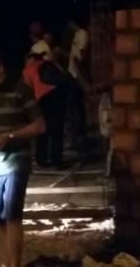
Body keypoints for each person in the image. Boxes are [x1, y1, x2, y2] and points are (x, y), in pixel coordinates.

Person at [0, 50, 46, 267]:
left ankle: (14, 264)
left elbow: (40, 125)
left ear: (1, 68)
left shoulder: (20, 90)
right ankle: (3, 263)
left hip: (16, 158)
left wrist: (10, 136)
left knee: (12, 214)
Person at [23, 53, 67, 168]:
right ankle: (57, 160)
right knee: (57, 129)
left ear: (29, 59)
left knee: (42, 128)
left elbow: (27, 90)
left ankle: (41, 159)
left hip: (43, 98)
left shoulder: (28, 69)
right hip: (59, 93)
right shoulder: (49, 64)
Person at [66, 16, 90, 150]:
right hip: (73, 74)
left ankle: (79, 140)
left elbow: (81, 55)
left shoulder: (82, 34)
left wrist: (82, 77)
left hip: (76, 76)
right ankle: (78, 139)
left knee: (76, 109)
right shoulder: (78, 34)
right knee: (75, 109)